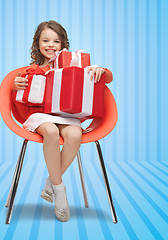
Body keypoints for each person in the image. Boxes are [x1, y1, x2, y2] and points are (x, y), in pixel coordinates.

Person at [11, 20, 113, 222]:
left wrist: (101, 70)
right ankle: (60, 191)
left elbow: (107, 78)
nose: (50, 45)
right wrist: (15, 85)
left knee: (75, 133)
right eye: (45, 40)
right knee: (50, 131)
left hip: (66, 116)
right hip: (40, 116)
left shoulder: (75, 66)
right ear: (37, 44)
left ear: (63, 44)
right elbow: (15, 93)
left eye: (56, 41)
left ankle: (50, 183)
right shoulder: (32, 71)